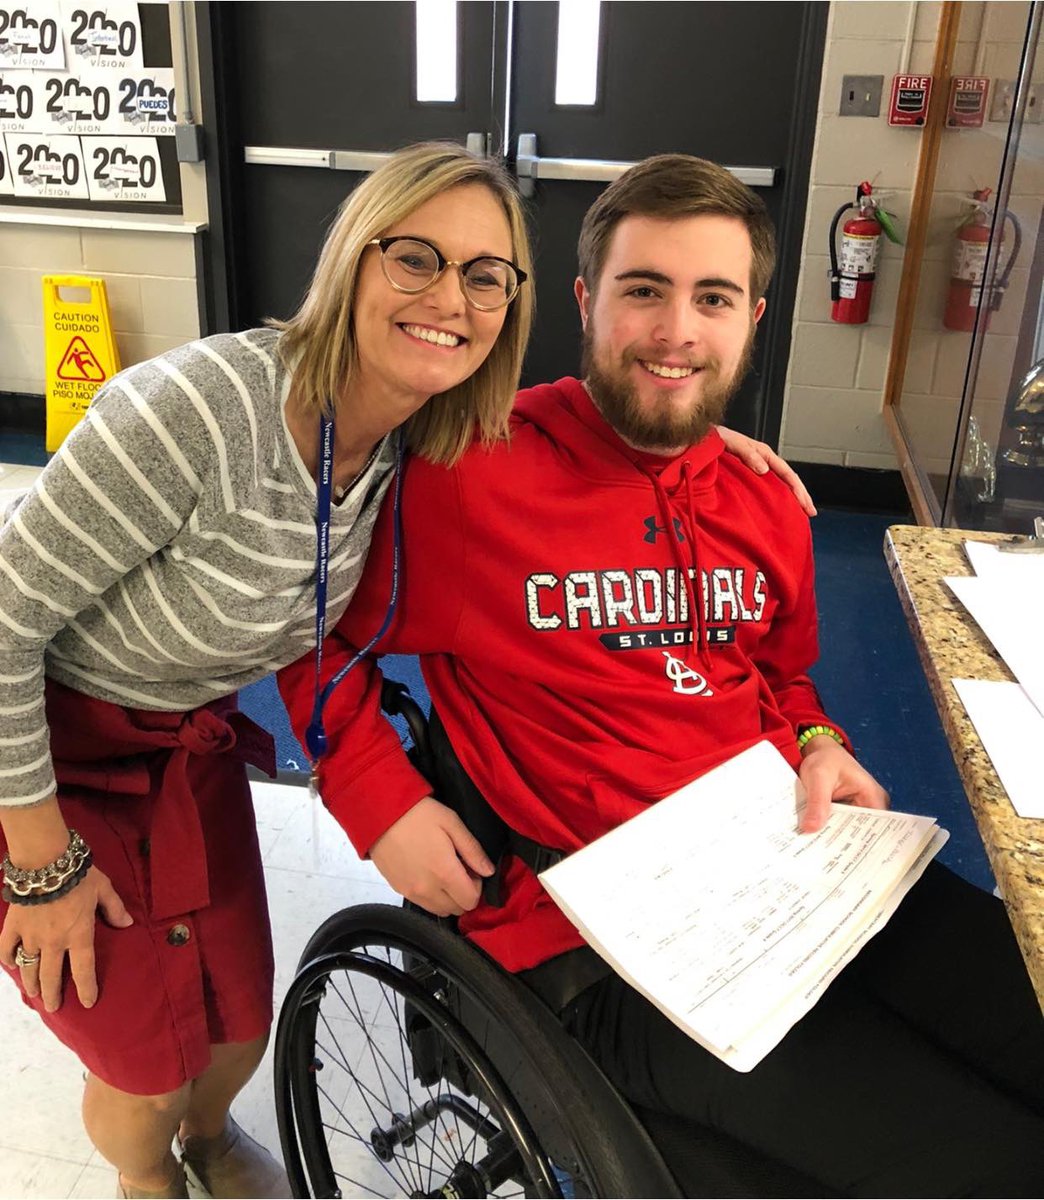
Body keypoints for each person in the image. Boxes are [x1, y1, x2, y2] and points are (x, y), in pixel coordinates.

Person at [0, 142, 802, 1200]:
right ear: (351, 260)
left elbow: (592, 421)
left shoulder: (415, 426)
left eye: (483, 276)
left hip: (185, 737)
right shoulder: (193, 413)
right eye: (414, 258)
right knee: (144, 1060)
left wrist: (708, 455)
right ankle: (147, 1172)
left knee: (239, 1014)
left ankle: (207, 1138)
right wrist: (41, 866)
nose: (449, 299)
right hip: (46, 749)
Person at [280, 154, 1044, 1197]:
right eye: (644, 291)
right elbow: (311, 639)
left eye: (712, 298)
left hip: (798, 868)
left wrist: (821, 745)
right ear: (589, 304)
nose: (677, 330)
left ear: (751, 319)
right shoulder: (469, 472)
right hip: (603, 943)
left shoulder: (763, 500)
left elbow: (787, 680)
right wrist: (381, 804)